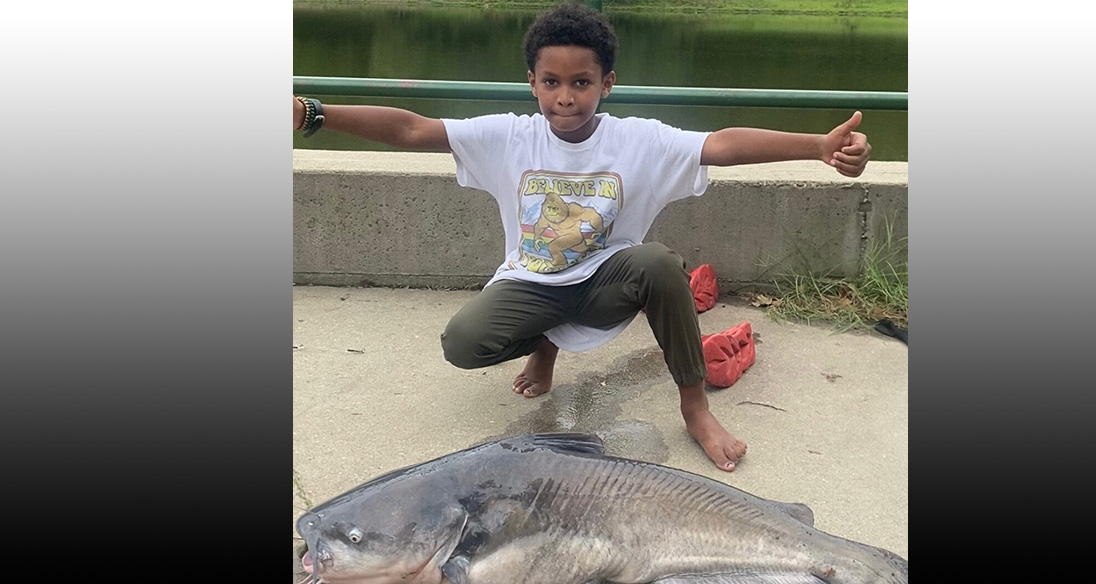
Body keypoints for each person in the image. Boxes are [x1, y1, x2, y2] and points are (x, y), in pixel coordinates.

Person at [292, 1, 871, 472]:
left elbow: (718, 144)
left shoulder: (638, 139)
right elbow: (413, 128)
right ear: (532, 82)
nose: (564, 97)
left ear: (607, 83)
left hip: (605, 283)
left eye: (580, 82)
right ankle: (544, 350)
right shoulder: (509, 137)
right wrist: (314, 113)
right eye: (550, 82)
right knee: (461, 343)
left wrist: (818, 146)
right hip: (532, 281)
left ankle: (695, 410)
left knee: (660, 262)